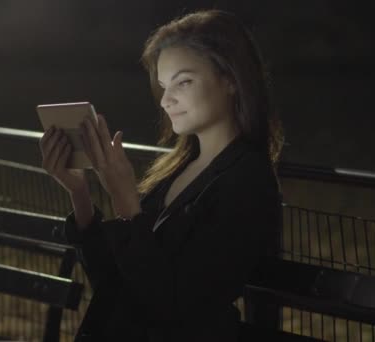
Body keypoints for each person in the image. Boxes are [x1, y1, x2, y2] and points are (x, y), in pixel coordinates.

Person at [39, 9, 284, 342]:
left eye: (183, 82)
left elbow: (173, 306)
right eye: (164, 85)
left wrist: (126, 201)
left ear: (231, 79)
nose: (167, 100)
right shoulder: (177, 169)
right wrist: (79, 193)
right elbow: (115, 283)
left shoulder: (247, 182)